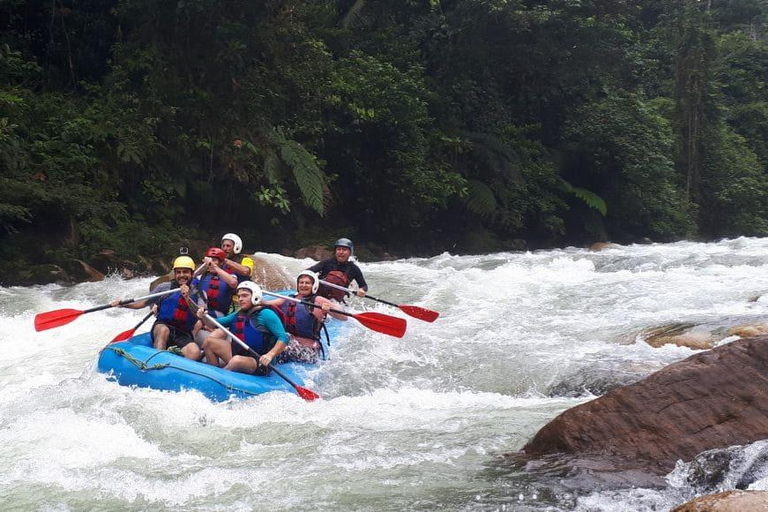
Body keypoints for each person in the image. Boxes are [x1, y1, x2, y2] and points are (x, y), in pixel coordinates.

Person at [111, 256, 204, 360]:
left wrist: (187, 298)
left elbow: (199, 313)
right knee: (164, 330)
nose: (182, 275)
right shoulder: (164, 288)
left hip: (183, 333)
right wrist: (123, 304)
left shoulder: (199, 293)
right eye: (178, 272)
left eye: (185, 272)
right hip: (163, 325)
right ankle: (158, 362)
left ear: (192, 273)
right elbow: (142, 303)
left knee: (195, 352)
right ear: (175, 273)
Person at [200, 281, 289, 375]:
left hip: (260, 361)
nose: (240, 299)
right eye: (239, 296)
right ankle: (211, 374)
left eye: (244, 296)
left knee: (236, 361)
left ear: (255, 296)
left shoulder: (266, 314)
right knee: (209, 342)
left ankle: (219, 377)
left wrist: (270, 355)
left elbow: (283, 337)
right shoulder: (239, 314)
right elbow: (213, 324)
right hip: (239, 353)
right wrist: (203, 316)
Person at [263, 271, 347, 363]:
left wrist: (329, 309)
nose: (303, 285)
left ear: (313, 286)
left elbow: (343, 317)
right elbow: (265, 304)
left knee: (280, 348)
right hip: (289, 343)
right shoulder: (288, 298)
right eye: (301, 282)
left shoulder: (317, 300)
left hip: (309, 351)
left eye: (307, 283)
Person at [193, 247, 239, 317]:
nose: (210, 263)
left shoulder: (229, 276)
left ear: (221, 263)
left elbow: (233, 283)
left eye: (214, 260)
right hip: (202, 312)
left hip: (220, 315)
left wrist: (214, 266)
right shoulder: (200, 277)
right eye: (209, 261)